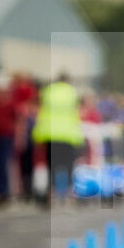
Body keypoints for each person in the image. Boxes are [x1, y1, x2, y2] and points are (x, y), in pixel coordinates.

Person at [31, 74, 84, 206]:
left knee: (52, 165)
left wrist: (38, 135)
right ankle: (70, 194)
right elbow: (77, 112)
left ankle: (51, 193)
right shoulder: (71, 92)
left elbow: (41, 112)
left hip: (50, 133)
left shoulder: (48, 91)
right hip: (68, 134)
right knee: (68, 165)